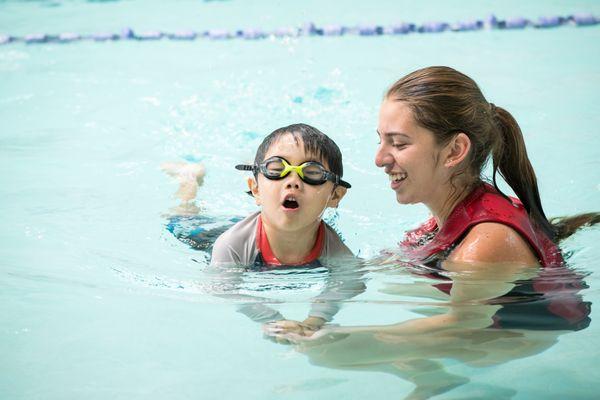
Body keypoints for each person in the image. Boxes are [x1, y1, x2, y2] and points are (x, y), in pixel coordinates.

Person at [375, 66, 598, 266]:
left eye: (398, 143)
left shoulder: (485, 244)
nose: (379, 159)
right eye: (380, 140)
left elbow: (462, 314)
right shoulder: (440, 225)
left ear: (455, 150)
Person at [211, 123, 353, 267]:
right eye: (276, 170)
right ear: (256, 190)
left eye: (312, 172)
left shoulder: (340, 257)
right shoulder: (232, 246)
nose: (293, 182)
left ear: (335, 196)